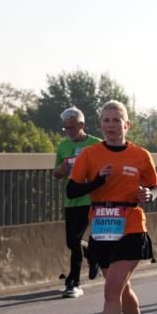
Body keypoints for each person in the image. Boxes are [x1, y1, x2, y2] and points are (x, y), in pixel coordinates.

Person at [66, 101, 157, 314]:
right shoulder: (90, 154)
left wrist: (148, 195)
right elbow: (72, 190)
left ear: (126, 125)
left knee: (111, 290)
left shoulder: (141, 155)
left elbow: (154, 187)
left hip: (131, 224)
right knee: (121, 290)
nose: (110, 125)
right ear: (101, 125)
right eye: (106, 120)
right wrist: (97, 181)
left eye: (116, 120)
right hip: (102, 228)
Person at [53, 107, 102, 297]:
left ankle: (73, 282)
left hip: (90, 199)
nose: (68, 132)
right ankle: (92, 254)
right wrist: (61, 170)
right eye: (65, 128)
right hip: (70, 199)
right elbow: (55, 174)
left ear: (81, 125)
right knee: (70, 242)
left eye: (71, 128)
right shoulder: (62, 146)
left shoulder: (96, 145)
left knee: (74, 239)